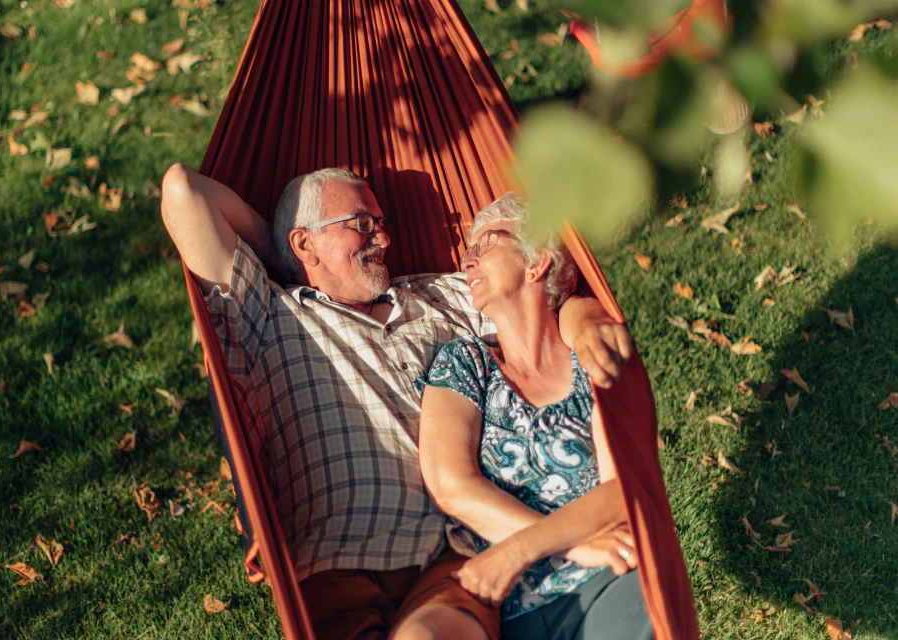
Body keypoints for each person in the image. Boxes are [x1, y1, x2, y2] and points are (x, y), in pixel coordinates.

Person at [160, 164, 634, 640]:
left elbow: (538, 295)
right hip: (336, 565)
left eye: (382, 225)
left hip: (451, 556)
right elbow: (184, 191)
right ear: (306, 243)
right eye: (362, 224)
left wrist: (588, 321)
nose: (383, 239)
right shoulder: (265, 315)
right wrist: (285, 251)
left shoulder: (440, 297)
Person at [416, 193, 654, 640]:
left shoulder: (593, 355)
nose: (467, 261)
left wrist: (522, 548)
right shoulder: (465, 363)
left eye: (486, 242)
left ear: (536, 261)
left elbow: (626, 487)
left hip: (608, 578)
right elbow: (452, 486)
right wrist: (575, 543)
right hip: (505, 606)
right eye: (468, 249)